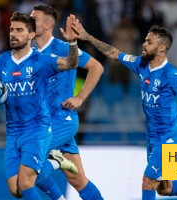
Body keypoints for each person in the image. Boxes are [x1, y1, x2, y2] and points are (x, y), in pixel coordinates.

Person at [71, 21, 177, 200]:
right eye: (145, 40)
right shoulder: (140, 64)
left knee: (147, 182)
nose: (144, 44)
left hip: (170, 137)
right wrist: (87, 36)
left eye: (149, 42)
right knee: (164, 188)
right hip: (152, 136)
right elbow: (114, 53)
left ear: (161, 49)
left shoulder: (171, 74)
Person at [0, 12, 79, 199]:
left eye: (19, 30)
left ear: (31, 35)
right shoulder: (0, 62)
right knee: (16, 190)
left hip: (37, 129)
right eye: (11, 30)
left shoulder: (41, 60)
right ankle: (56, 162)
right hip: (13, 131)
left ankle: (53, 162)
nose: (13, 34)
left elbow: (72, 63)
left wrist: (72, 43)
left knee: (25, 183)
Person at [30, 5, 104, 200]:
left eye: (34, 20)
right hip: (43, 123)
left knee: (29, 170)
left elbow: (97, 67)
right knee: (79, 181)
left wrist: (80, 98)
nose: (29, 22)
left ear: (47, 25)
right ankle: (59, 160)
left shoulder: (64, 48)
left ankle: (56, 160)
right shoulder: (29, 53)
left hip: (62, 120)